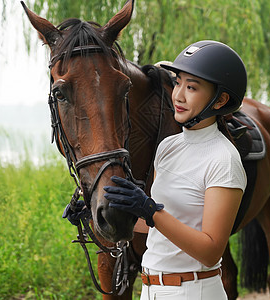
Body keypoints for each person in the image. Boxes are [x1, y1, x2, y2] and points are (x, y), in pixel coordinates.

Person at [103, 40, 247, 299]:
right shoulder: (167, 147)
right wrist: (103, 214)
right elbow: (164, 227)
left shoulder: (223, 159)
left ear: (220, 100)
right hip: (151, 289)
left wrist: (151, 211)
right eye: (177, 82)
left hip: (194, 290)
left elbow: (211, 250)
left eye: (191, 87)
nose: (178, 95)